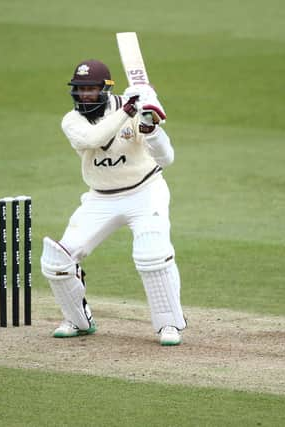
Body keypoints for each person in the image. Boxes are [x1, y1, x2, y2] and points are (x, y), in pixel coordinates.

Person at [40, 59, 186, 346]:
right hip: (100, 198)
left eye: (91, 89)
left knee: (152, 255)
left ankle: (169, 325)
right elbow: (95, 137)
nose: (85, 95)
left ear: (106, 89)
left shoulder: (133, 107)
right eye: (80, 89)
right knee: (57, 260)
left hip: (145, 192)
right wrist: (128, 110)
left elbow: (166, 159)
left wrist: (150, 126)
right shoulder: (72, 121)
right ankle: (79, 321)